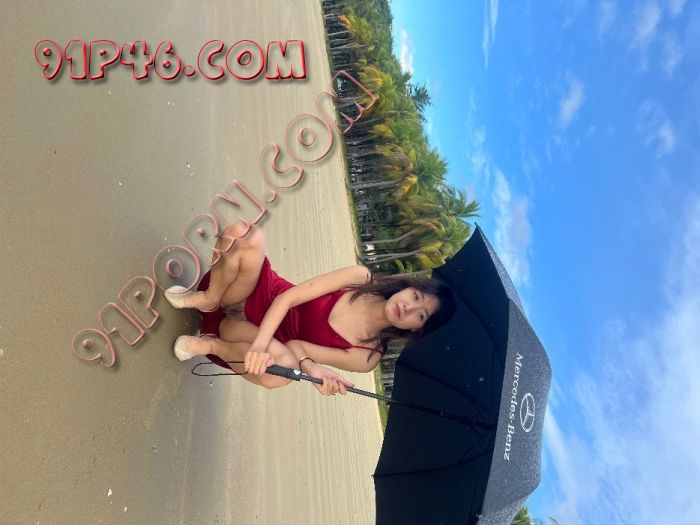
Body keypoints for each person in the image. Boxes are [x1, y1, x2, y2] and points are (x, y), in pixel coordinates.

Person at [164, 220, 456, 396]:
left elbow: (297, 348)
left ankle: (210, 344)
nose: (408, 307)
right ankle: (210, 298)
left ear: (417, 329)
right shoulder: (360, 279)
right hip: (253, 293)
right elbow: (287, 299)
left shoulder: (366, 357)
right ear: (408, 286)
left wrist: (314, 370)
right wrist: (261, 346)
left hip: (242, 335)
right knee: (247, 234)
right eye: (416, 296)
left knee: (279, 375)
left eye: (421, 315)